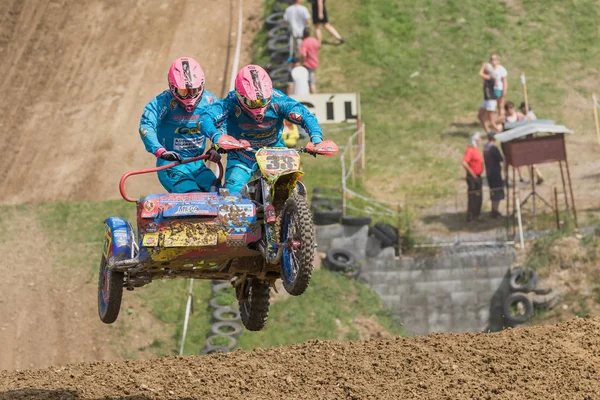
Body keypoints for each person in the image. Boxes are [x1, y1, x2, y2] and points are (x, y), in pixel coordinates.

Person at [199, 65, 327, 193]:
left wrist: (316, 138)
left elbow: (305, 115)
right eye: (253, 103)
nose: (259, 108)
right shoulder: (230, 103)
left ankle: (293, 210)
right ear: (240, 96)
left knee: (294, 187)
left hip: (275, 151)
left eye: (263, 100)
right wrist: (217, 137)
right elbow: (204, 119)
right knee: (232, 194)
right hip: (242, 155)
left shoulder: (279, 101)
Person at [139, 57, 221, 193]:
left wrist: (215, 147)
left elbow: (220, 124)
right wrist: (160, 151)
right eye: (184, 92)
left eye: (194, 90)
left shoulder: (210, 101)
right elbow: (146, 125)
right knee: (192, 198)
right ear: (172, 88)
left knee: (221, 197)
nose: (189, 97)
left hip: (198, 164)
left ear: (202, 85)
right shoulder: (162, 102)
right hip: (171, 164)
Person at [462, 132, 484, 223]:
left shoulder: (476, 149)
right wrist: (472, 173)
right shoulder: (470, 150)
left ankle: (477, 214)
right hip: (472, 177)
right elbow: (464, 162)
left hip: (478, 176)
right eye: (479, 138)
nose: (480, 140)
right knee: (472, 196)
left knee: (479, 196)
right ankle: (470, 215)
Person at [483, 133, 505, 218]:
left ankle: (493, 209)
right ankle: (495, 210)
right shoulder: (493, 148)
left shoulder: (485, 147)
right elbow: (501, 159)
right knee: (497, 191)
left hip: (489, 172)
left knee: (493, 191)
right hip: (495, 173)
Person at [477, 62, 498, 134]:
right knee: (480, 116)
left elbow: (480, 73)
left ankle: (500, 132)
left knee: (491, 121)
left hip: (491, 100)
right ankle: (488, 132)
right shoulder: (487, 78)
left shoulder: (490, 77)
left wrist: (483, 66)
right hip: (486, 99)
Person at [299, 27, 320, 93]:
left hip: (308, 64)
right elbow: (318, 47)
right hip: (315, 62)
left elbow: (303, 54)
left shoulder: (304, 42)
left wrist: (302, 62)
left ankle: (313, 96)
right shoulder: (314, 40)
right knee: (311, 79)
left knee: (311, 82)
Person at [489, 54, 508, 118]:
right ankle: (492, 120)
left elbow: (504, 80)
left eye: (494, 59)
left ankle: (501, 119)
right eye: (491, 59)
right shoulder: (489, 69)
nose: (493, 61)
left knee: (500, 105)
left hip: (499, 89)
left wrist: (504, 90)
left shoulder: (501, 69)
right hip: (491, 89)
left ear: (498, 60)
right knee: (491, 106)